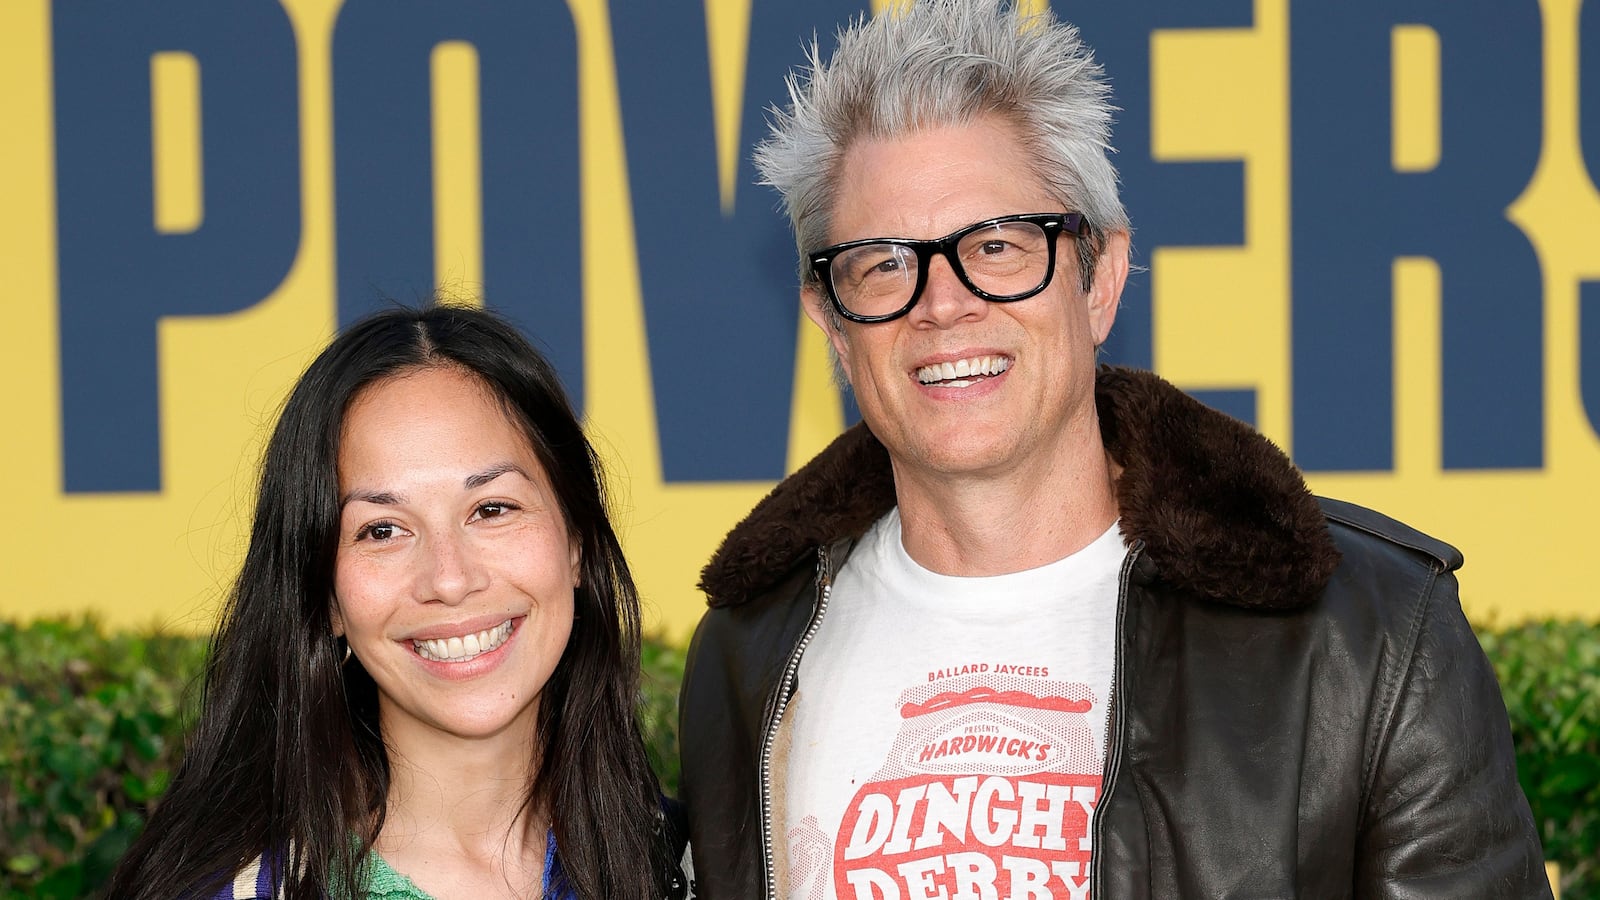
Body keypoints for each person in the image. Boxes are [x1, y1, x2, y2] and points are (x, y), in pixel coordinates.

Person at [678, 1, 1550, 897]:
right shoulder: (745, 657)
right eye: (884, 263)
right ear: (831, 322)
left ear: (1101, 279)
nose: (942, 305)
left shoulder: (1369, 640)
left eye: (998, 245)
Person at [108, 305, 688, 900]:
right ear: (325, 595)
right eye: (382, 529)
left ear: (576, 544)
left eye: (492, 509)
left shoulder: (698, 866)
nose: (450, 579)